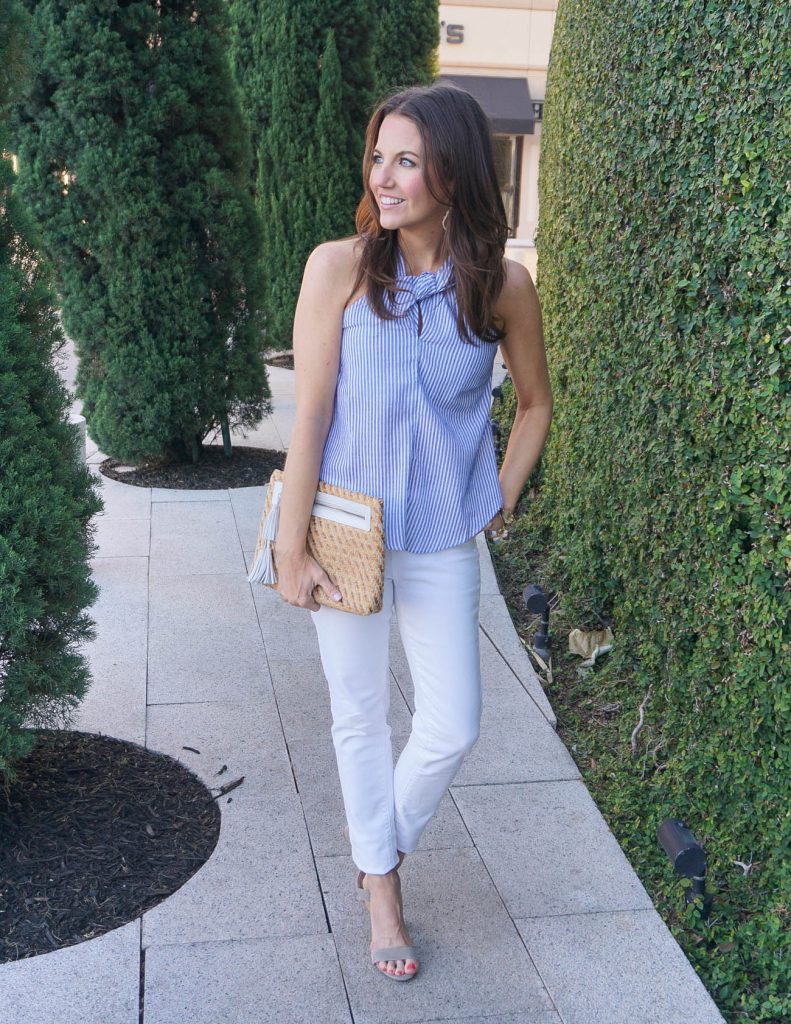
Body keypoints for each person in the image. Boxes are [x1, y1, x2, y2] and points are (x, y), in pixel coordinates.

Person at [272, 83, 552, 982]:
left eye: (406, 159)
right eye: (377, 158)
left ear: (453, 171)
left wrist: (499, 496)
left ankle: (371, 850)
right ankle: (382, 890)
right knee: (356, 713)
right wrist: (289, 545)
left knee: (453, 724)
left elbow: (536, 406)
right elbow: (310, 414)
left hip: (439, 532)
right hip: (344, 523)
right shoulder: (338, 267)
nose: (383, 178)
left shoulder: (501, 285)